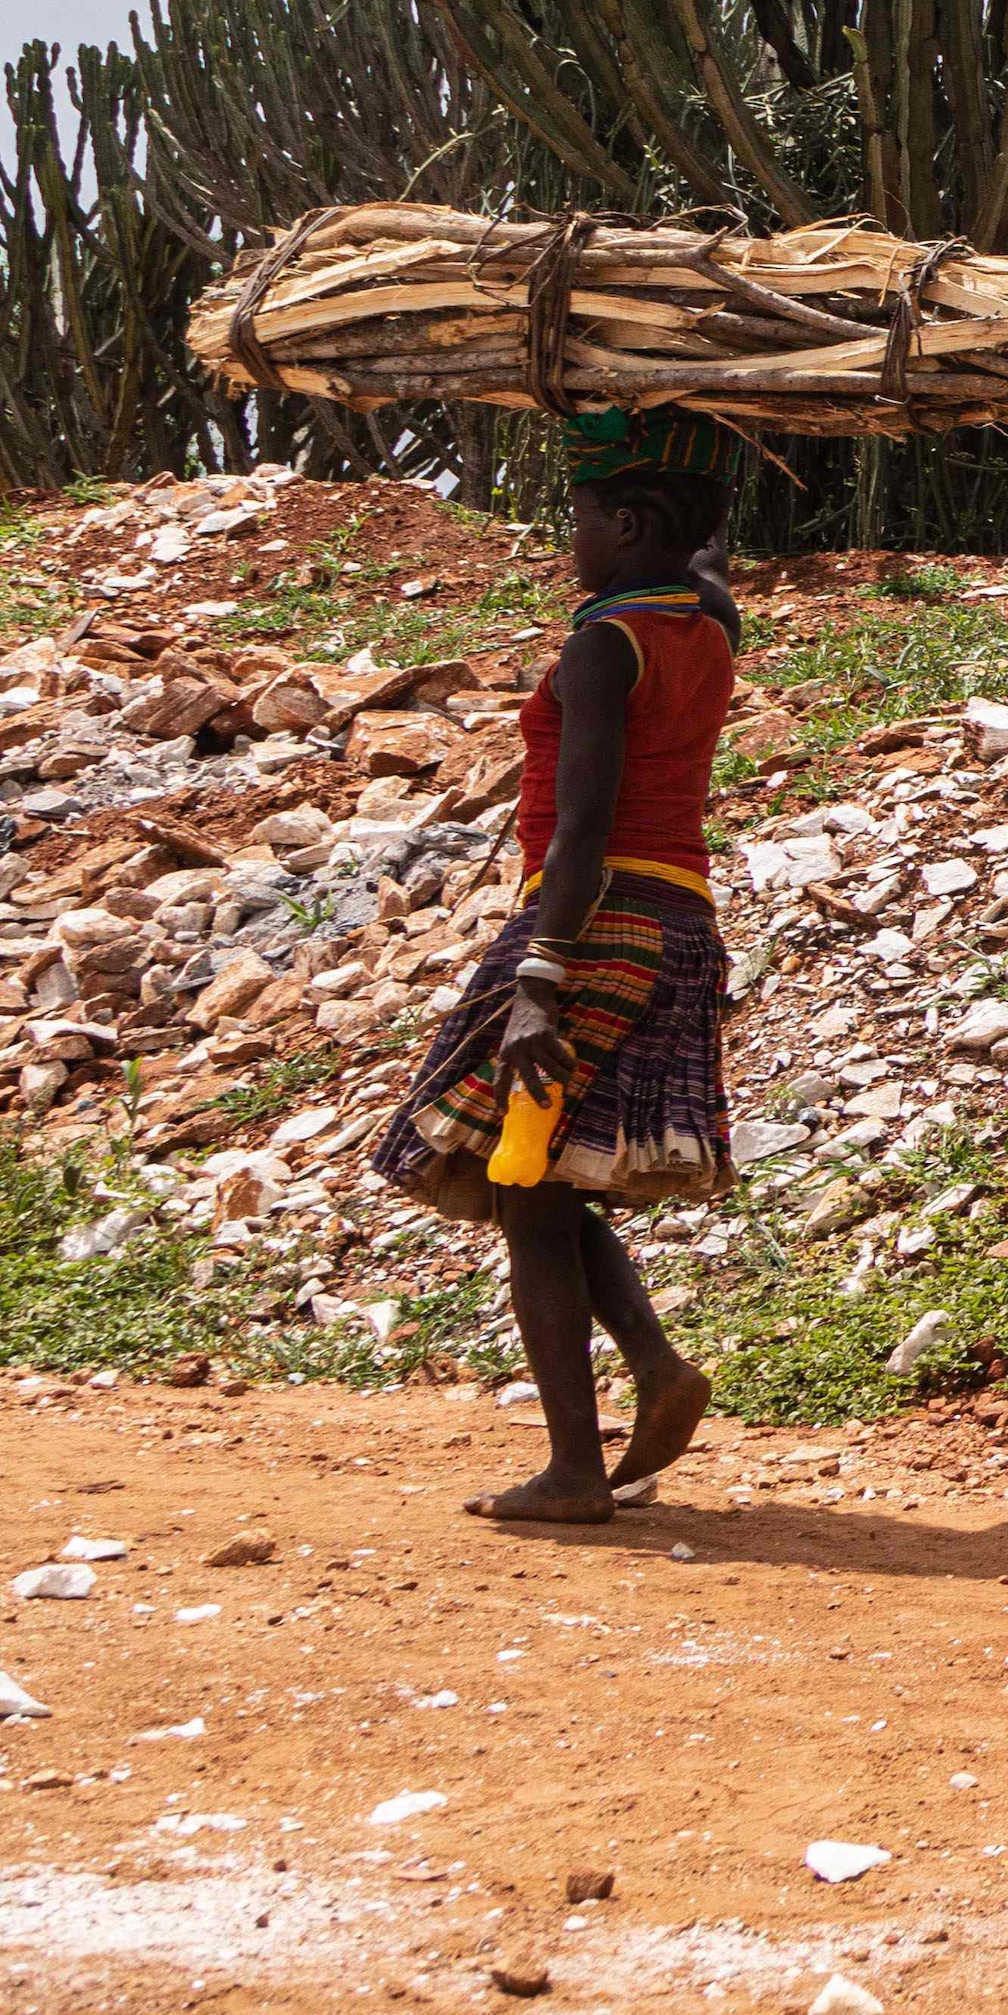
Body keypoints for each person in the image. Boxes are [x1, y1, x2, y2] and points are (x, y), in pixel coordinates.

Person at [372, 409, 743, 1524]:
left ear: (626, 523)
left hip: (589, 920)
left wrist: (538, 978)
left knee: (519, 1183)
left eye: (579, 516)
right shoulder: (708, 620)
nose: (566, 538)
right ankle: (657, 1367)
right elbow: (710, 554)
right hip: (679, 917)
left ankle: (577, 1469)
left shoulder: (601, 646)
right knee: (530, 1177)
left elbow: (577, 830)